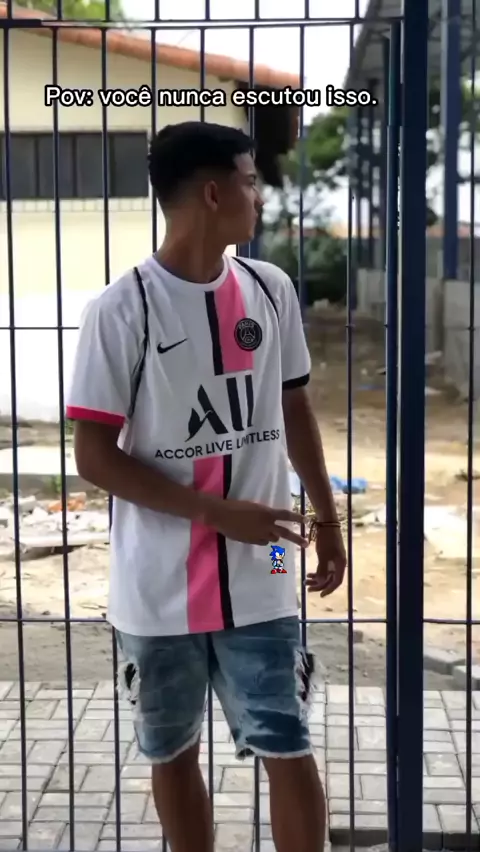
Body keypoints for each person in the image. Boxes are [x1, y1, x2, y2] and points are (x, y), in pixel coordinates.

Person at [66, 121, 346, 852]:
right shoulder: (121, 310)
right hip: (154, 586)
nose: (261, 196)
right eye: (251, 182)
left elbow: (293, 408)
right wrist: (214, 512)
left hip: (270, 564)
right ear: (214, 194)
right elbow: (93, 457)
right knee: (172, 750)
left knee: (288, 739)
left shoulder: (270, 290)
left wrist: (327, 518)